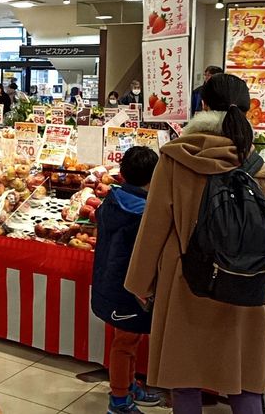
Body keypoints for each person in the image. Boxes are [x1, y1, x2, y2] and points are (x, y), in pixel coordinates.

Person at [124, 73, 265, 414]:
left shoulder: (177, 158)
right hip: (245, 281)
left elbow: (155, 225)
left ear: (202, 105)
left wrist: (140, 280)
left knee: (183, 374)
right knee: (245, 376)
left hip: (186, 278)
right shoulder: (255, 164)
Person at [91, 146, 164, 413]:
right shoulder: (144, 214)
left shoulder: (112, 199)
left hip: (108, 284)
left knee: (127, 340)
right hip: (128, 290)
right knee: (125, 343)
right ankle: (119, 400)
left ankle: (129, 384)